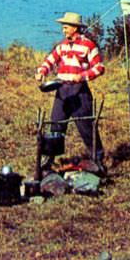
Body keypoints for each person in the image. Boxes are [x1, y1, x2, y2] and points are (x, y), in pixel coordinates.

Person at [35, 12, 105, 171]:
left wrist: (80, 76)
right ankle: (49, 159)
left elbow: (100, 68)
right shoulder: (62, 46)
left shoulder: (89, 45)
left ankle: (98, 158)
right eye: (63, 27)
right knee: (56, 125)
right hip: (62, 90)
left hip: (80, 91)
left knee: (86, 126)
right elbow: (49, 60)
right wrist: (41, 72)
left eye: (66, 27)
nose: (63, 30)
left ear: (75, 28)